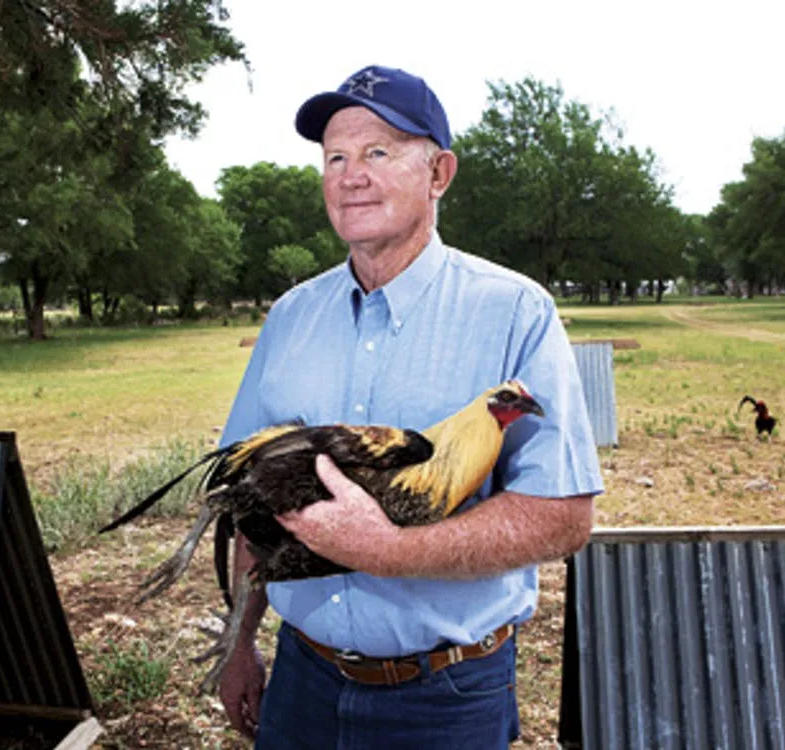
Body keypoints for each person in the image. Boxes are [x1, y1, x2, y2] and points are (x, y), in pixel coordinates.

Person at [215, 64, 604, 749]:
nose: (350, 175)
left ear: (439, 174)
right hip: (303, 677)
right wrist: (239, 640)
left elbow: (562, 517)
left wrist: (389, 550)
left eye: (378, 152)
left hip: (446, 694)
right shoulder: (291, 317)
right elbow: (250, 507)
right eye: (335, 157)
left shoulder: (514, 312)